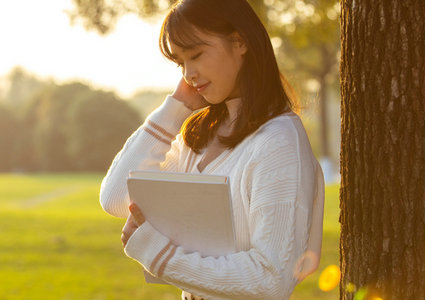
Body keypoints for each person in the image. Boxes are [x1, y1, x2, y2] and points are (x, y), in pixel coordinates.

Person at [99, 0, 325, 299]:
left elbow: (271, 279)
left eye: (196, 55)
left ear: (240, 41)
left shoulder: (278, 141)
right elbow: (115, 198)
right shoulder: (198, 137)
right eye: (180, 63)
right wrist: (175, 107)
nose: (189, 74)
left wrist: (160, 256)